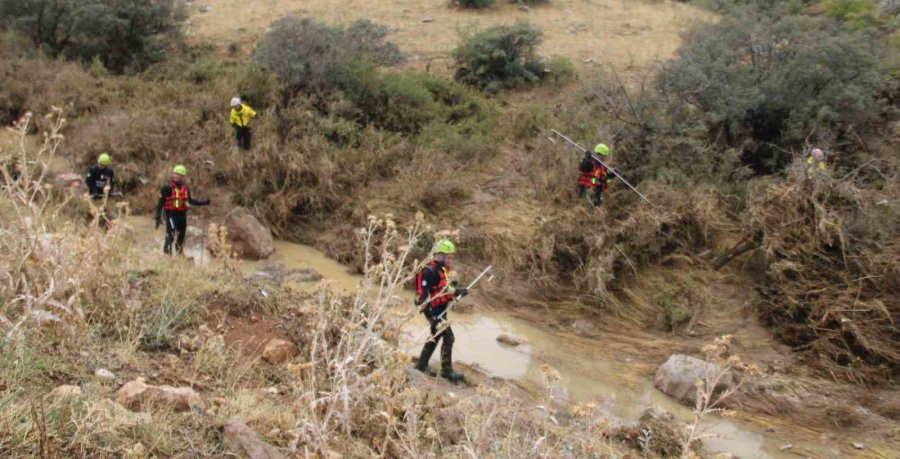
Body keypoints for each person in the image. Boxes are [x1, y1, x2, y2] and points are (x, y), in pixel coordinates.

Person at [414, 239, 468, 382]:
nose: (450, 259)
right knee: (448, 337)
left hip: (440, 309)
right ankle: (446, 371)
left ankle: (421, 364)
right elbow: (423, 296)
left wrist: (457, 292)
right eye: (449, 256)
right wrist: (432, 315)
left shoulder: (443, 269)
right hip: (433, 310)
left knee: (435, 335)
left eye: (451, 256)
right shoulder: (429, 271)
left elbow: (445, 289)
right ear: (440, 255)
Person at [155, 165, 210, 255]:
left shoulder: (185, 187)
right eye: (175, 174)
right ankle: (167, 253)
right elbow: (160, 202)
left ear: (182, 176)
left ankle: (179, 252)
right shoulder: (167, 187)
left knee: (181, 234)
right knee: (171, 233)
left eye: (179, 175)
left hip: (181, 214)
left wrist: (204, 203)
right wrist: (158, 216)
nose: (176, 176)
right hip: (171, 215)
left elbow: (190, 201)